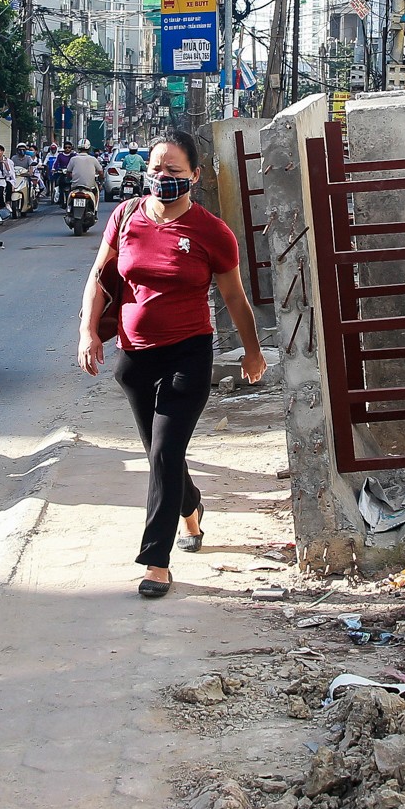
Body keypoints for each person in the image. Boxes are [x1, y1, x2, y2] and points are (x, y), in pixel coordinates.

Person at [77, 131, 268, 599]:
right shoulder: (125, 217)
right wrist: (87, 331)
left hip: (189, 353)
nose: (162, 178)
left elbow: (234, 297)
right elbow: (100, 279)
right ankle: (192, 506)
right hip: (135, 357)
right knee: (161, 455)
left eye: (174, 172)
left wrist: (252, 349)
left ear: (195, 177)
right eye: (157, 169)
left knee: (164, 454)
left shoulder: (211, 233)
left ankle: (156, 562)